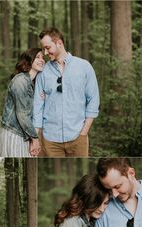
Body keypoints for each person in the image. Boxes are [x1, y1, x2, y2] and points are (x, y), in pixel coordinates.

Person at [32, 27, 100, 157]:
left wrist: (83, 133)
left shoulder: (84, 67)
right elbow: (38, 106)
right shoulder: (43, 72)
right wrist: (36, 138)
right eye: (43, 49)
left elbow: (93, 100)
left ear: (59, 43)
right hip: (50, 140)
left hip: (78, 137)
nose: (45, 53)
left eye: (48, 48)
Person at [0, 48, 45, 157]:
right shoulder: (20, 81)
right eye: (37, 57)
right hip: (15, 133)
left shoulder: (32, 84)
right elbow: (22, 114)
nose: (42, 60)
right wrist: (35, 139)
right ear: (29, 60)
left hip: (26, 133)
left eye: (43, 57)